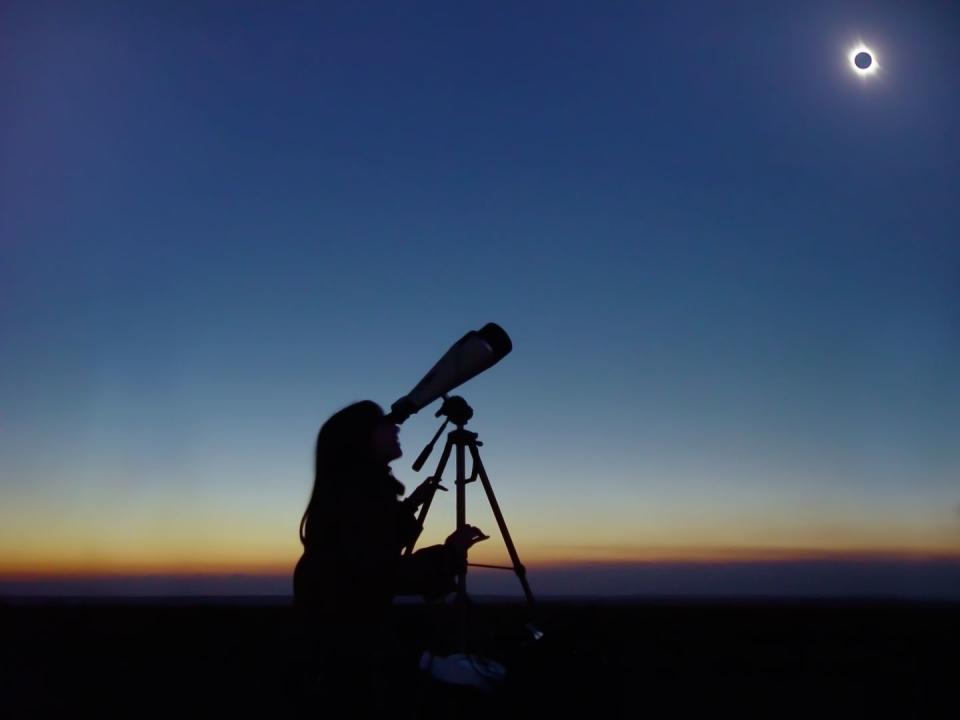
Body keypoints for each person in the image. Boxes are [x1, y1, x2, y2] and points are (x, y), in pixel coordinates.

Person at [293, 400, 487, 715]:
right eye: (383, 424)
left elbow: (376, 540)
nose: (395, 428)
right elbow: (381, 574)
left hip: (341, 640)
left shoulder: (354, 493)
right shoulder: (356, 498)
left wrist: (411, 504)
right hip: (348, 651)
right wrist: (451, 552)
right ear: (360, 440)